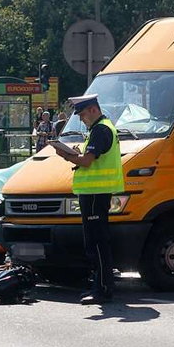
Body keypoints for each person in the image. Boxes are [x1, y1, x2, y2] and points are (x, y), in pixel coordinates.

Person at [52, 94, 124, 305]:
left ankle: (102, 289)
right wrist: (74, 153)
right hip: (94, 194)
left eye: (82, 115)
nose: (81, 119)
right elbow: (89, 157)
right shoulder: (101, 128)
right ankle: (100, 285)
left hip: (95, 194)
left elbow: (86, 161)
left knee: (97, 243)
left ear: (93, 110)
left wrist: (65, 155)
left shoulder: (101, 130)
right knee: (96, 242)